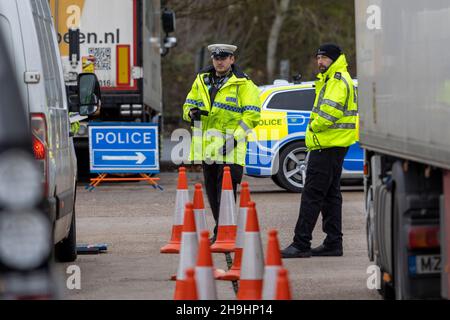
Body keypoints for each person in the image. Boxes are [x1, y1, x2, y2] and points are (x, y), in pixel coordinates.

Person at [281, 43, 358, 258]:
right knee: (330, 196)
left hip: (326, 144)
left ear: (333, 59)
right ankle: (334, 243)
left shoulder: (336, 80)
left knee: (312, 195)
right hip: (334, 144)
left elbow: (329, 113)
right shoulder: (335, 78)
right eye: (318, 58)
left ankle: (301, 243)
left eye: (323, 58)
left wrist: (314, 126)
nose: (319, 61)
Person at [182, 44, 261, 243]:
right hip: (208, 148)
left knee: (225, 194)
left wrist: (235, 138)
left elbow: (252, 116)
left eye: (224, 57)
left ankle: (225, 233)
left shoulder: (244, 84)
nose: (220, 61)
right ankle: (222, 231)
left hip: (231, 148)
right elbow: (188, 104)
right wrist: (191, 112)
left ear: (232, 60)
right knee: (212, 194)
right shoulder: (202, 80)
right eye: (216, 57)